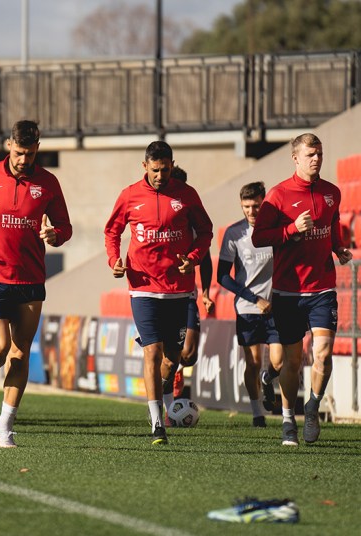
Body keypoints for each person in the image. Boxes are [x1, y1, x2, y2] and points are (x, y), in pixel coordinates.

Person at [0, 120, 72, 448]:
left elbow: (65, 226)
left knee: (19, 354)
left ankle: (5, 427)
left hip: (31, 279)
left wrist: (55, 234)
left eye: (30, 153)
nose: (24, 159)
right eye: (19, 152)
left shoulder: (48, 183)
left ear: (37, 149)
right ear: (9, 146)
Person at [104, 140, 213, 445]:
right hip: (143, 288)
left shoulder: (186, 195)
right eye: (155, 170)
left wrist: (192, 257)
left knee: (172, 358)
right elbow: (112, 231)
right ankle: (156, 423)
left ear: (171, 165)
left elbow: (206, 232)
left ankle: (165, 388)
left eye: (165, 170)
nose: (160, 176)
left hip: (179, 291)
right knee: (151, 352)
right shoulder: (129, 195)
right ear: (145, 166)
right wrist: (115, 260)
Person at [252, 133, 352, 446]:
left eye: (319, 154)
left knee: (322, 355)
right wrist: (291, 229)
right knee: (292, 362)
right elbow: (259, 238)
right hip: (288, 292)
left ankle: (311, 407)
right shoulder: (278, 195)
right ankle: (287, 420)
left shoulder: (332, 193)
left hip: (322, 289)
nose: (316, 159)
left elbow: (332, 225)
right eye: (310, 155)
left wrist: (338, 248)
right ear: (295, 158)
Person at [218, 181, 282, 428]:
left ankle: (268, 379)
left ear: (264, 203)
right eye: (246, 207)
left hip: (276, 307)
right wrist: (255, 299)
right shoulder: (234, 234)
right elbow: (222, 276)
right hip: (248, 308)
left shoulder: (277, 230)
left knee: (278, 362)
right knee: (253, 361)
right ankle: (257, 413)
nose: (251, 211)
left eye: (256, 206)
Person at [166, 166, 213, 407]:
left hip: (186, 294)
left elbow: (204, 257)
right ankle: (162, 403)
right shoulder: (155, 216)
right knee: (165, 354)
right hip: (158, 294)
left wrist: (205, 292)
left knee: (189, 354)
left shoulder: (192, 219)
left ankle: (174, 373)